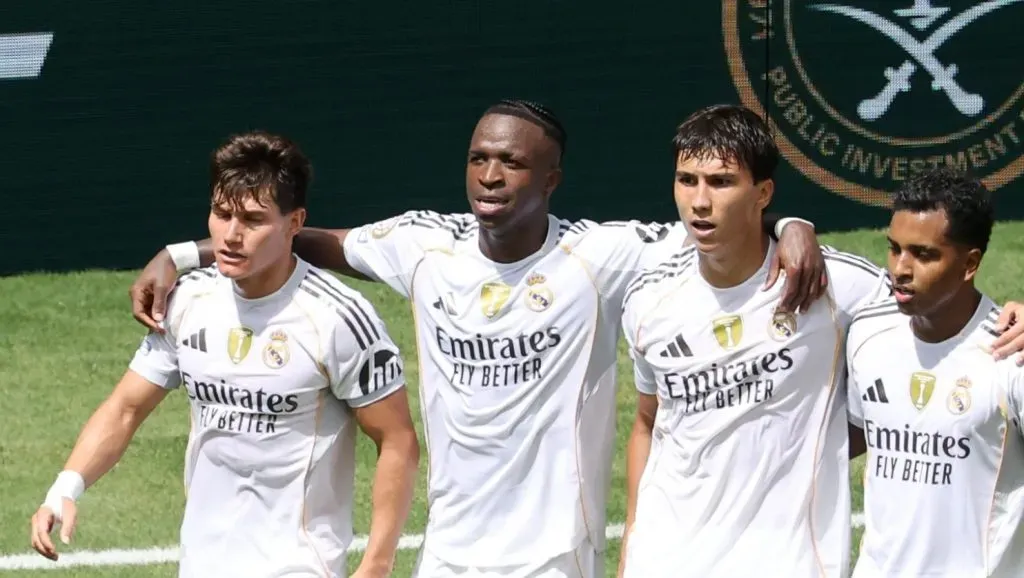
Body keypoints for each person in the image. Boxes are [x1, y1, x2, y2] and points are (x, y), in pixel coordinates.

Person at [128, 99, 829, 577]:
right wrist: (186, 252)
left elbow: (721, 222)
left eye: (513, 163)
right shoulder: (424, 246)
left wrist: (791, 225)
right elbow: (299, 236)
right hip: (448, 554)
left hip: (554, 555)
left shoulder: (601, 257)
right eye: (479, 159)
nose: (490, 175)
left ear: (551, 178)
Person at [617, 106, 1024, 578]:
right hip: (666, 560)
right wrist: (632, 540)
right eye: (687, 180)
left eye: (721, 182)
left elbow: (943, 302)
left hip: (788, 562)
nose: (700, 201)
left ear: (763, 192)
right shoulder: (648, 301)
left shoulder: (838, 287)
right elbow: (647, 423)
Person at [30, 131, 419, 578]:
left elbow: (397, 441)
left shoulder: (339, 318)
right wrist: (65, 487)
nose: (231, 236)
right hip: (202, 564)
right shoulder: (188, 301)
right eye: (221, 214)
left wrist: (377, 564)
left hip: (298, 565)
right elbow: (125, 409)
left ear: (296, 223)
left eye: (253, 220)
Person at [846, 168, 1024, 577]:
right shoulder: (867, 335)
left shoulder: (1008, 354)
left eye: (923, 254)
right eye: (894, 249)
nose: (900, 268)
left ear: (970, 263)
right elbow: (854, 435)